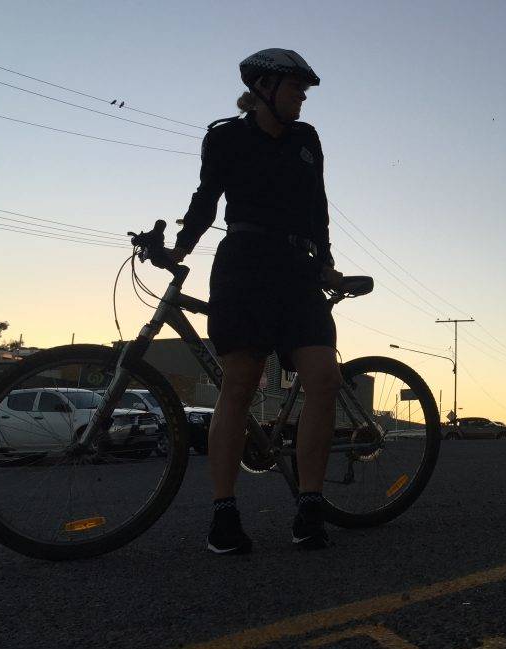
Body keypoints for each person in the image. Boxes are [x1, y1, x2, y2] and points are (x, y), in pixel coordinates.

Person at [166, 48, 344, 554]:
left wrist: (326, 260)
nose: (303, 98)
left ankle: (310, 506)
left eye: (305, 91)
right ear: (266, 88)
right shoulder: (225, 137)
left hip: (299, 270)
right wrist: (182, 246)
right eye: (295, 89)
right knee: (239, 385)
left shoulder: (307, 140)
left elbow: (318, 207)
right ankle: (224, 513)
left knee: (324, 380)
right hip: (243, 264)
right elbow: (206, 198)